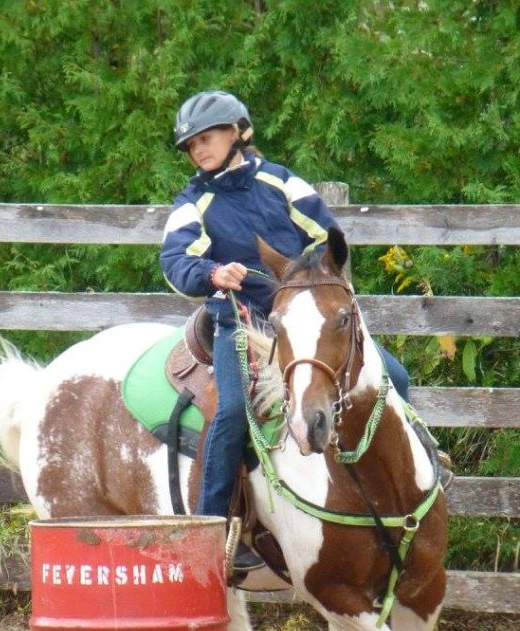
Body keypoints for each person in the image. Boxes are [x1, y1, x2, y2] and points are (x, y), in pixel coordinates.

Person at [159, 90, 414, 573]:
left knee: (395, 379)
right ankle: (210, 533)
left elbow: (324, 235)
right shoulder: (193, 201)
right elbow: (174, 262)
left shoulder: (281, 182)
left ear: (238, 132)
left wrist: (306, 283)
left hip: (304, 321)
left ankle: (420, 471)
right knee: (232, 412)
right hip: (242, 322)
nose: (198, 150)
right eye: (191, 145)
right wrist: (212, 274)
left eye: (206, 138)